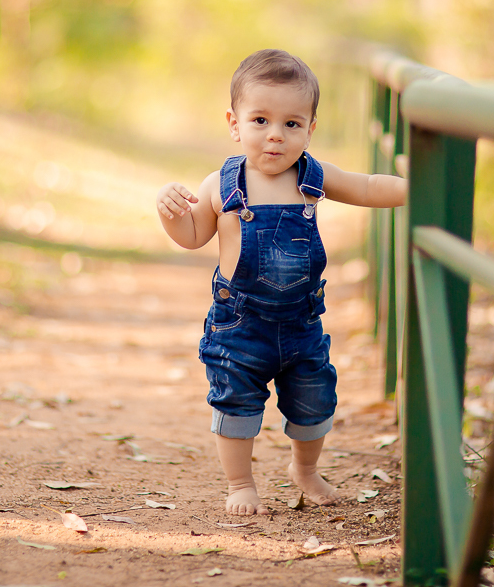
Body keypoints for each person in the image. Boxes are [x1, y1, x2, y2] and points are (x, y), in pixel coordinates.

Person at [155, 49, 407, 515]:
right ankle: (240, 483)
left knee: (314, 403)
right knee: (236, 404)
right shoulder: (221, 184)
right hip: (240, 324)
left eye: (292, 123)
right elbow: (191, 236)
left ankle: (305, 469)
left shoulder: (313, 176)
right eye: (261, 121)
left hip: (300, 324)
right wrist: (169, 212)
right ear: (235, 124)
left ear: (310, 129)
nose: (276, 134)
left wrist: (415, 188)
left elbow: (368, 186)